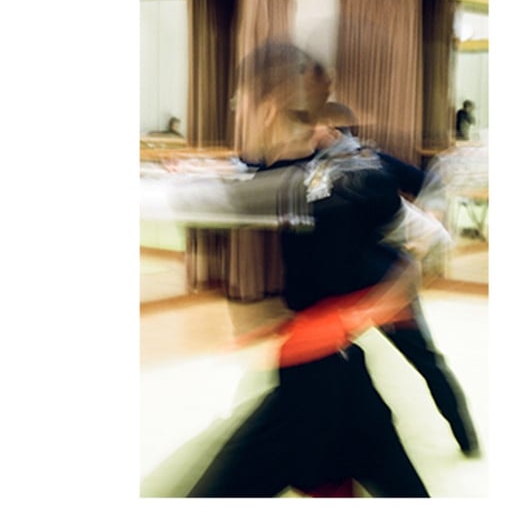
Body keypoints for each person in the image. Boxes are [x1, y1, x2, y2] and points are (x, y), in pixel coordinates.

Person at [148, 42, 432, 496]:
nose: (237, 114)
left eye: (240, 102)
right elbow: (425, 247)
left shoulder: (317, 183)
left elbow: (425, 247)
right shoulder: (319, 172)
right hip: (332, 378)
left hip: (318, 389)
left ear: (266, 109)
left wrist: (343, 318)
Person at [314, 102, 480, 456]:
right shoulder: (306, 167)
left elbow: (430, 184)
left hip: (386, 283)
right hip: (338, 287)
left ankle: (465, 436)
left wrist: (424, 234)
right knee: (320, 365)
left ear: (330, 127)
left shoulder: (371, 160)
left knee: (425, 361)